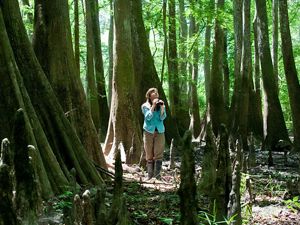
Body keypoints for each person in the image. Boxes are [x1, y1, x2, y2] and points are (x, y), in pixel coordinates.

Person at [141, 88, 166, 179]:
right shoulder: (145, 106)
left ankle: (157, 176)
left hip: (159, 131)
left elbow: (162, 118)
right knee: (149, 153)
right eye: (153, 94)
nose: (155, 95)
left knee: (158, 153)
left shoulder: (161, 104)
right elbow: (148, 117)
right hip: (148, 132)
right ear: (149, 96)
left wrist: (162, 108)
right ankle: (150, 176)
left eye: (156, 94)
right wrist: (153, 106)